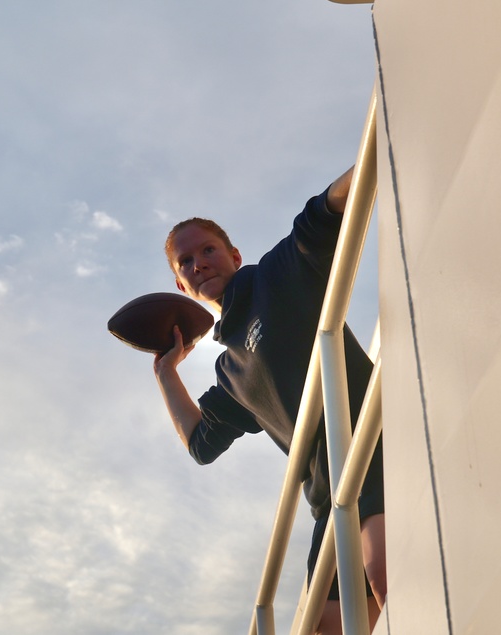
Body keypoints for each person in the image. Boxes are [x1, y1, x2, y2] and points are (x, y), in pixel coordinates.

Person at [153, 167, 386, 635]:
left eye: (208, 250)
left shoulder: (277, 276)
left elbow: (321, 215)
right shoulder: (231, 371)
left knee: (389, 577)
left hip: (374, 452)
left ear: (234, 255)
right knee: (321, 624)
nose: (198, 263)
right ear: (182, 286)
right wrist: (165, 373)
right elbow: (202, 443)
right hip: (330, 499)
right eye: (186, 262)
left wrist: (377, 147)